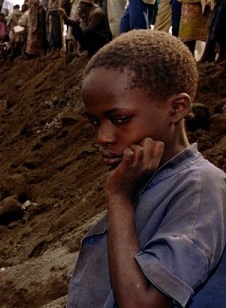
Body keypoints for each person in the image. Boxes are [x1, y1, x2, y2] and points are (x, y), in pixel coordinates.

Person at [68, 29, 226, 307]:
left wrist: (118, 197)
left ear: (177, 108)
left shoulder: (201, 188)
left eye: (120, 119)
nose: (103, 137)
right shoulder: (144, 177)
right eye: (95, 122)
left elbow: (141, 303)